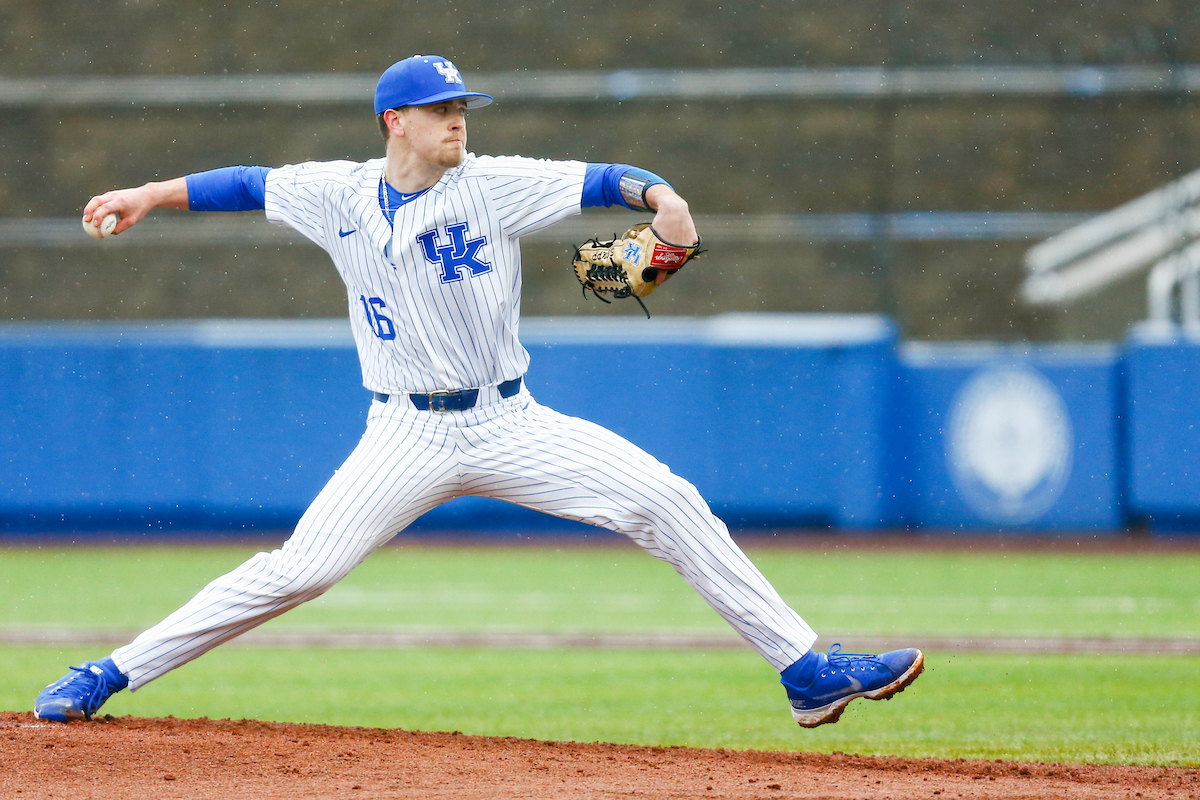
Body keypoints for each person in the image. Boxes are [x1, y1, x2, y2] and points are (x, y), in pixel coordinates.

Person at [35, 55, 923, 729]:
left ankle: (805, 672)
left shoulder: (490, 186)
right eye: (441, 109)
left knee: (666, 498)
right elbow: (243, 186)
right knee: (297, 573)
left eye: (462, 107)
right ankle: (108, 674)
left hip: (510, 420)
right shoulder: (334, 194)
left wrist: (663, 199)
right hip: (402, 436)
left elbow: (601, 181)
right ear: (395, 122)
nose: (457, 120)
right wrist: (150, 194)